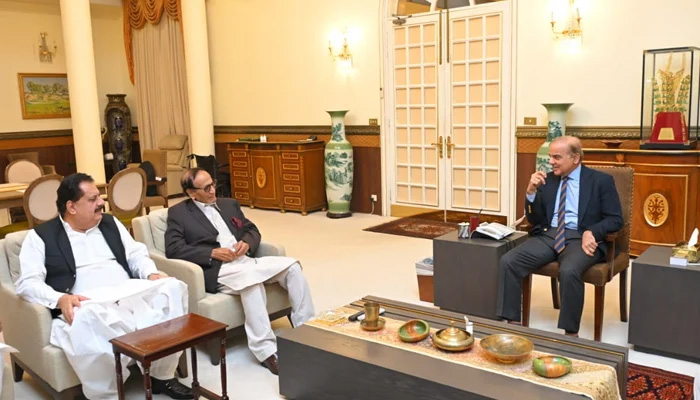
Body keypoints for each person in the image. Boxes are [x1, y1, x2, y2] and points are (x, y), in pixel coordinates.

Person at [15, 173, 193, 400]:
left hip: (128, 293)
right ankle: (106, 395)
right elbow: (28, 283)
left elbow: (136, 254)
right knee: (87, 316)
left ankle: (162, 376)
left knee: (174, 287)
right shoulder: (40, 237)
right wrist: (60, 298)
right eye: (92, 199)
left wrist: (150, 273)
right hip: (90, 304)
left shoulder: (110, 223)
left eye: (99, 197)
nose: (101, 203)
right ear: (71, 207)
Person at [165, 168, 315, 376]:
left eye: (213, 184)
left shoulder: (228, 204)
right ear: (191, 193)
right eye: (206, 188)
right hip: (219, 269)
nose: (212, 190)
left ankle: (307, 330)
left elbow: (252, 230)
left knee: (292, 266)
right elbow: (173, 249)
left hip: (245, 261)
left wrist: (246, 243)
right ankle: (266, 351)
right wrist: (212, 253)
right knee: (251, 283)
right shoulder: (178, 213)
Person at [496, 136, 623, 337]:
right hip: (549, 235)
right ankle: (512, 323)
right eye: (550, 157)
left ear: (575, 158)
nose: (551, 162)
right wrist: (530, 192)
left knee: (570, 269)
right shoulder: (547, 180)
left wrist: (592, 232)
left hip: (581, 236)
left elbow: (616, 219)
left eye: (557, 157)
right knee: (509, 261)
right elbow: (534, 218)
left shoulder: (600, 181)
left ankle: (570, 334)